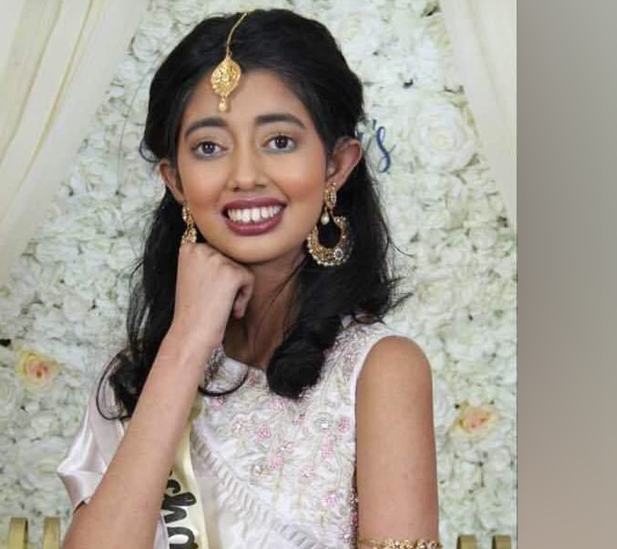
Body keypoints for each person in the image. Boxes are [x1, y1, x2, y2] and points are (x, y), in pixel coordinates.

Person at [57, 9, 439, 549]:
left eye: (279, 141)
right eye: (209, 147)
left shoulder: (380, 371)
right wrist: (185, 347)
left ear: (337, 166)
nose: (244, 175)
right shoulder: (138, 368)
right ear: (176, 180)